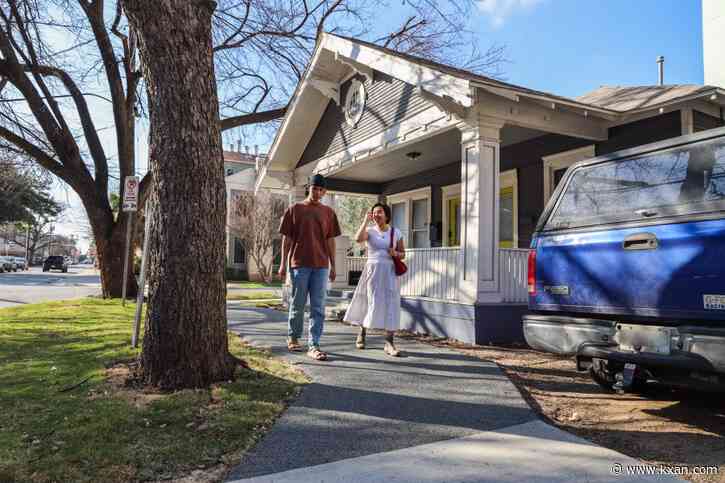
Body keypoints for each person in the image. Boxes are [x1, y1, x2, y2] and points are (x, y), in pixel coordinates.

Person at [278, 174, 341, 361]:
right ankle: (293, 337)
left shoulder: (328, 213)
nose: (318, 192)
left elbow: (330, 241)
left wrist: (333, 265)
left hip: (321, 265)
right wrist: (282, 264)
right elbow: (286, 240)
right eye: (315, 188)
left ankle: (314, 343)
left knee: (318, 306)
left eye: (321, 190)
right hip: (299, 264)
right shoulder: (295, 209)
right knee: (297, 304)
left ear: (325, 192)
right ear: (309, 188)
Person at [343, 202, 405, 357]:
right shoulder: (369, 231)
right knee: (370, 300)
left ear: (387, 215)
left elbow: (403, 253)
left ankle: (389, 342)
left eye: (379, 212)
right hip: (373, 270)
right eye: (374, 212)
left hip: (389, 271)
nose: (376, 215)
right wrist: (365, 221)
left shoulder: (396, 232)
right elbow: (358, 239)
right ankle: (362, 332)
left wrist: (396, 254)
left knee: (391, 302)